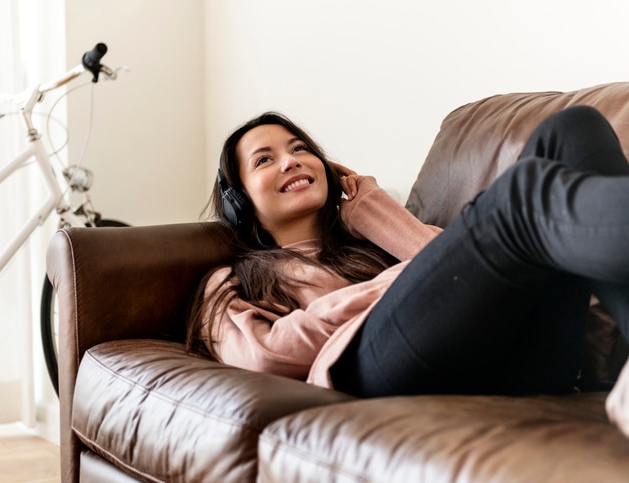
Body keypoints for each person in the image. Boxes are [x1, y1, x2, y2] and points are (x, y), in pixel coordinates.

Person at [185, 106, 629, 438]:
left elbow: (457, 270)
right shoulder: (233, 281)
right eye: (264, 160)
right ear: (238, 201)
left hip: (519, 363)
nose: (291, 161)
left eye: (300, 149)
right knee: (521, 194)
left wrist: (373, 211)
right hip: (369, 374)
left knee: (573, 129)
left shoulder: (376, 240)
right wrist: (390, 287)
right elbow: (263, 356)